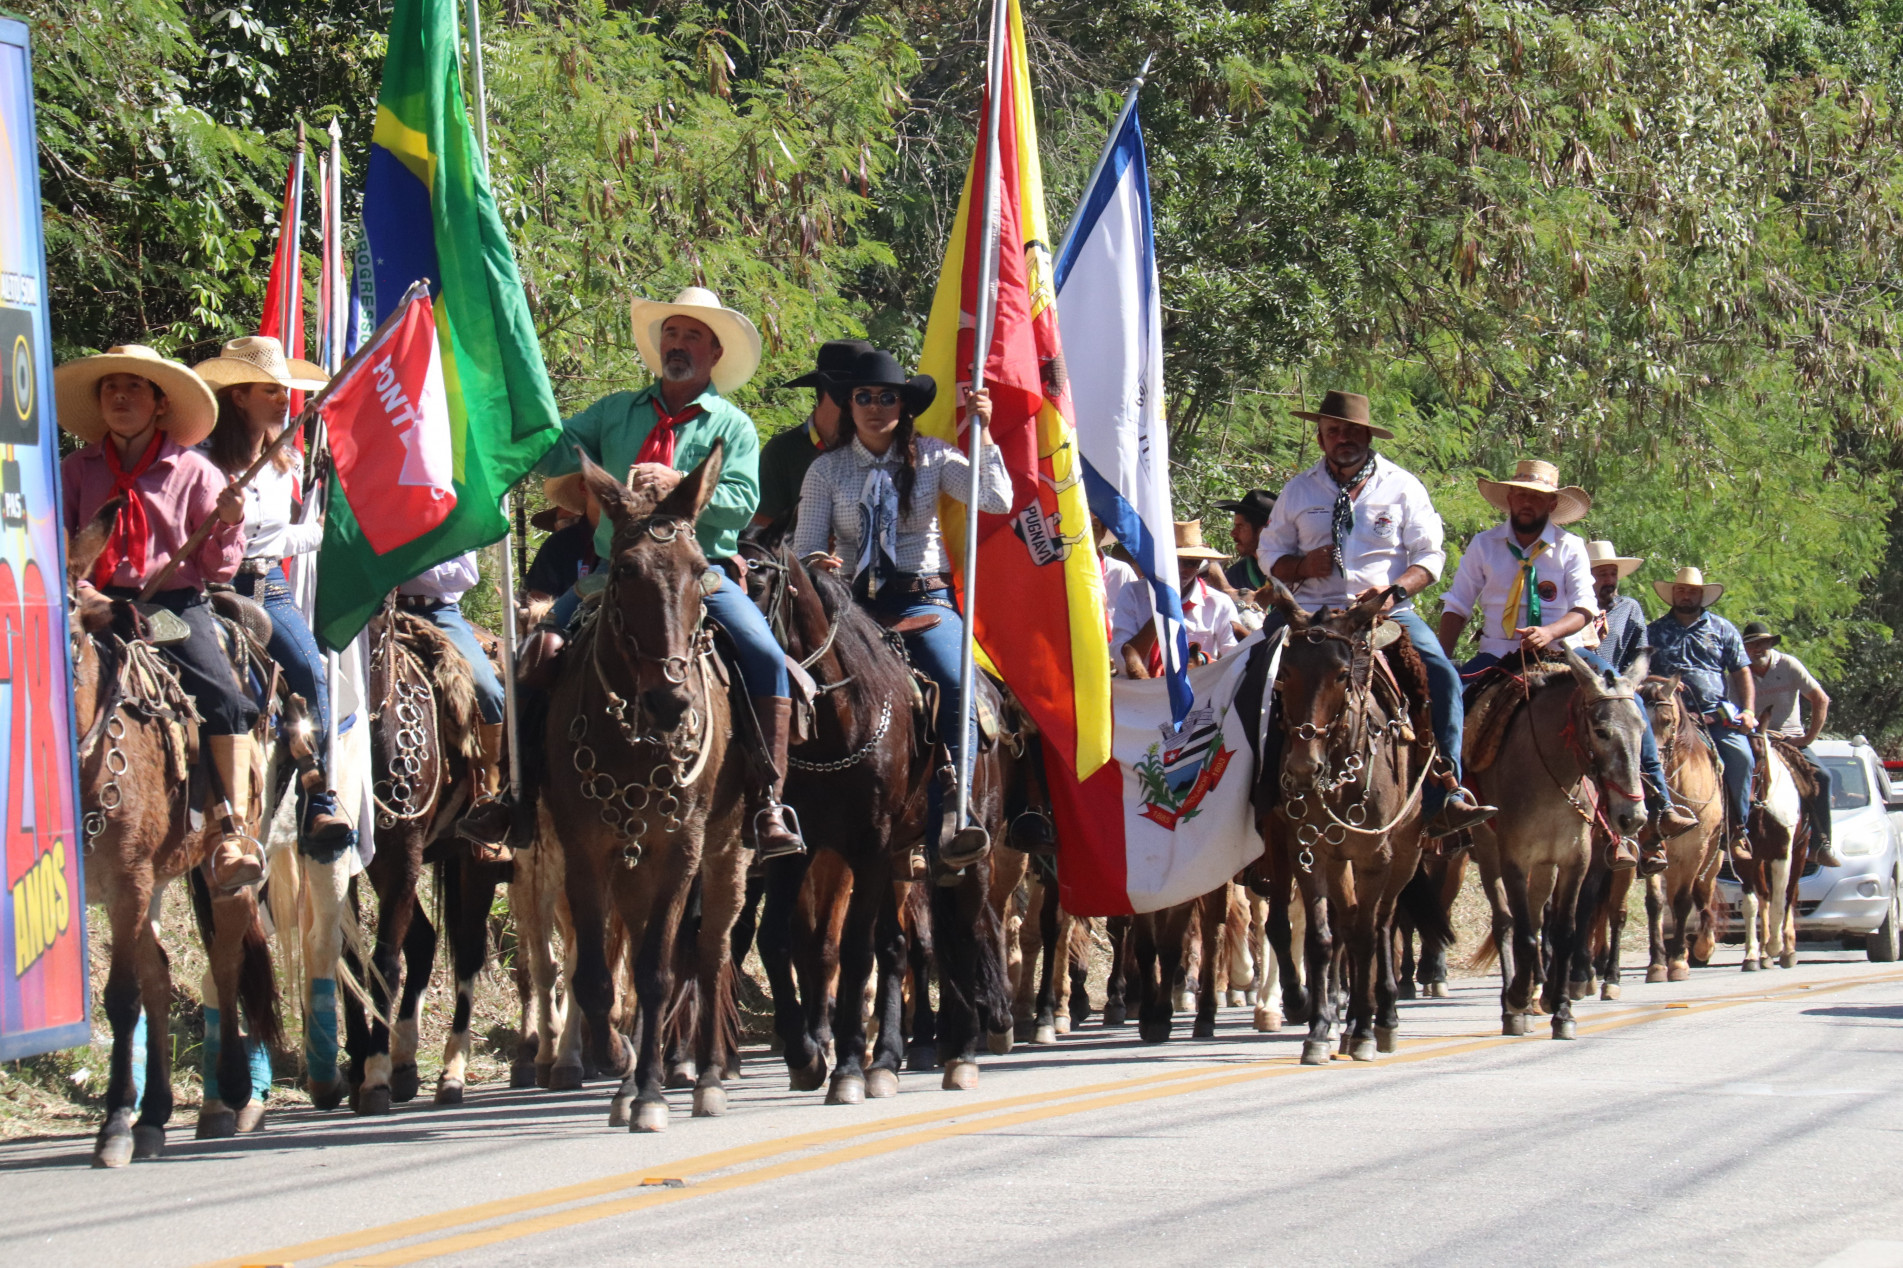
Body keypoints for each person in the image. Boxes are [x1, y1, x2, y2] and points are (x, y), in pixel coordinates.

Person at [516, 286, 804, 859]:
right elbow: (554, 453)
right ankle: (517, 798)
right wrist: (518, 408)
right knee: (540, 652)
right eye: (671, 333)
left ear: (714, 352)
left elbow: (744, 502)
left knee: (766, 656)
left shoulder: (733, 427)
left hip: (702, 575)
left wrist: (680, 485)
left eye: (692, 335)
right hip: (612, 573)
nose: (677, 344)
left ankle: (768, 802)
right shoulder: (614, 411)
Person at [791, 346, 1011, 868]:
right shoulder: (826, 471)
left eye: (886, 397)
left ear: (903, 405)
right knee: (792, 677)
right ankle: (778, 805)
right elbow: (801, 551)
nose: (873, 406)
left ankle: (952, 812)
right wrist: (817, 567)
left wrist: (984, 434)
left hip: (924, 600)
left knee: (957, 683)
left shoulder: (934, 457)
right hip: (852, 607)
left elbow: (997, 500)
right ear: (848, 405)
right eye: (862, 397)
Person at [56, 346, 260, 890]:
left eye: (135, 388)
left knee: (224, 697)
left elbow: (219, 566)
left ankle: (232, 829)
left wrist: (227, 523)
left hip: (173, 606)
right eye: (110, 388)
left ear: (161, 404)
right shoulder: (75, 470)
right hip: (94, 605)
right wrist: (84, 593)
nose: (120, 397)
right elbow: (59, 550)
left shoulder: (196, 471)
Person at [1256, 390, 1492, 837]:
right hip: (1309, 615)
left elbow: (1430, 557)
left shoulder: (1402, 486)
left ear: (1366, 434)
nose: (1342, 438)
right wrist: (1302, 566)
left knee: (1440, 675)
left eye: (1351, 431)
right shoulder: (1299, 489)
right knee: (1250, 672)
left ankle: (1447, 792)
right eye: (1333, 431)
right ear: (1321, 438)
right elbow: (1270, 553)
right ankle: (1247, 795)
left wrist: (1393, 591)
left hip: (1383, 615)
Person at [1437, 464, 1698, 862]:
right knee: (1444, 696)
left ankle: (1659, 805)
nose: (1527, 502)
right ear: (1510, 500)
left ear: (1551, 503)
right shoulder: (1485, 545)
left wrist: (1551, 632)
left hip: (1563, 651)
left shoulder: (1570, 546)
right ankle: (1447, 798)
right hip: (1497, 650)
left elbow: (1583, 609)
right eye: (1520, 494)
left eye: (1537, 496)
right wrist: (1441, 658)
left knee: (1627, 701)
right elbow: (1457, 604)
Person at [195, 336, 354, 858]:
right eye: (271, 389)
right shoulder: (202, 460)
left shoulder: (282, 462)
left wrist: (325, 531)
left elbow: (278, 539)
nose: (283, 398)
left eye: (284, 389)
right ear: (238, 396)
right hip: (213, 585)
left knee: (311, 673)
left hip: (269, 587)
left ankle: (317, 796)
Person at [1585, 538, 1701, 868]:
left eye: (1611, 574)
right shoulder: (1571, 604)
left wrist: (1628, 682)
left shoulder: (1630, 609)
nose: (1607, 580)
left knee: (1639, 716)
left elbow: (1640, 654)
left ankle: (1661, 811)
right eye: (1600, 574)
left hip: (1619, 690)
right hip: (1578, 685)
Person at [396, 552, 511, 859]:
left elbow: (466, 575)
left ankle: (488, 796)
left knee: (487, 689)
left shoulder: (448, 504)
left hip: (438, 613)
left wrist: (409, 563)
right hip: (373, 610)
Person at [1646, 567, 1758, 860]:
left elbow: (1741, 671)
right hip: (1666, 713)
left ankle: (1737, 830)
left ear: (1701, 595)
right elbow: (1641, 671)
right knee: (1641, 757)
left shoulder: (1723, 629)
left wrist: (1747, 710)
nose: (1686, 595)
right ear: (1673, 594)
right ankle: (1643, 832)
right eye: (1681, 590)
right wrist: (1661, 682)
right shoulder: (1653, 630)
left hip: (1712, 714)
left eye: (1692, 591)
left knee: (1742, 758)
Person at [1741, 620, 1841, 867]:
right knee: (1728, 772)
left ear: (1770, 644)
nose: (1757, 649)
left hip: (1790, 739)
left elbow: (1821, 699)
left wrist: (1808, 738)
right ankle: (1731, 834)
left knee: (1822, 777)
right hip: (1754, 739)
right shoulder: (1738, 673)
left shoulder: (1788, 665)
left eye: (1762, 643)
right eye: (1752, 645)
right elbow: (1736, 710)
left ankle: (1820, 842)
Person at [752, 338, 872, 530]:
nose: (869, 405)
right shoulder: (782, 451)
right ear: (827, 390)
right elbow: (759, 530)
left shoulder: (881, 448)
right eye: (859, 394)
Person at [1112, 520, 1241, 670]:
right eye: (1173, 561)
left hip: (1197, 690)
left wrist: (1203, 661)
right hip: (1143, 690)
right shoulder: (1132, 593)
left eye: (1189, 563)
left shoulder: (1219, 604)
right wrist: (1162, 613)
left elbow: (1235, 660)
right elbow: (1122, 662)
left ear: (1199, 565)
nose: (1180, 570)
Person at [521, 503, 597, 606]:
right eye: (566, 522)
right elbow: (538, 598)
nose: (574, 527)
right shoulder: (554, 546)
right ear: (556, 526)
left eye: (579, 519)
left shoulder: (605, 542)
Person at [1215, 489, 1275, 592]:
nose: (1232, 533)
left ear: (1263, 530)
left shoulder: (1294, 569)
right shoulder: (1236, 576)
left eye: (1240, 526)